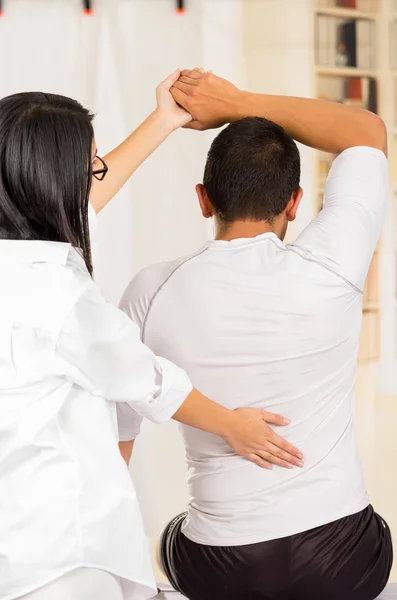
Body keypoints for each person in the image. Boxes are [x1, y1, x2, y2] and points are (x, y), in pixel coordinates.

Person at [0, 71, 305, 600]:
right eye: (91, 167)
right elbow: (148, 380)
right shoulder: (55, 292)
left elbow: (80, 206)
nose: (98, 177)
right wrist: (231, 425)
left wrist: (166, 117)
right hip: (57, 558)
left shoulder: (18, 256)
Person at [118, 70, 393, 600]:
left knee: (172, 537)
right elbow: (365, 131)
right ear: (294, 202)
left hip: (221, 566)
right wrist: (236, 103)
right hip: (342, 559)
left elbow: (117, 437)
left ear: (203, 199)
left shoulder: (150, 290)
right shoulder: (332, 265)